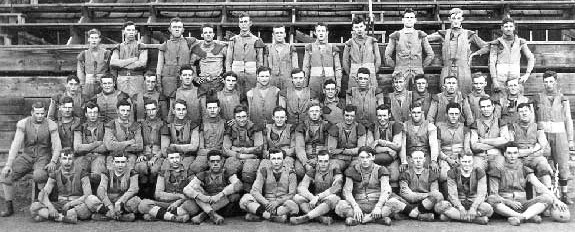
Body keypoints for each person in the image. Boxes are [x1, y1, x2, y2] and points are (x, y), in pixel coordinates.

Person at [0, 101, 61, 217]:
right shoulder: (23, 123)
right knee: (5, 176)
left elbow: (57, 145)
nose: (40, 116)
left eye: (42, 113)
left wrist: (53, 160)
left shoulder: (51, 124)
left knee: (39, 175)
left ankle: (41, 204)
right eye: (37, 113)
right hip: (26, 157)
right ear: (32, 112)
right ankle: (9, 207)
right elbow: (16, 144)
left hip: (43, 157)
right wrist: (8, 164)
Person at [487, 142, 570, 226]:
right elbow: (494, 193)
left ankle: (522, 217)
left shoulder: (524, 167)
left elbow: (539, 186)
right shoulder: (497, 168)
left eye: (515, 153)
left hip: (522, 204)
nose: (512, 156)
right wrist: (508, 202)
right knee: (491, 199)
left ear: (518, 154)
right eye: (509, 153)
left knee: (547, 198)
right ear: (504, 154)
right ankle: (525, 216)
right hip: (505, 204)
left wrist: (556, 199)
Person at [29, 149, 104, 223]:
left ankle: (58, 216)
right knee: (34, 207)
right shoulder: (55, 174)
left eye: (70, 159)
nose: (67, 162)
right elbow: (43, 193)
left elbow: (88, 194)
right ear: (60, 160)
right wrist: (51, 207)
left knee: (86, 206)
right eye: (64, 158)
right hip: (61, 204)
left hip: (77, 204)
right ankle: (63, 218)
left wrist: (71, 204)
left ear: (74, 159)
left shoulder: (82, 173)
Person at [533, 70, 574, 204]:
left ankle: (565, 194)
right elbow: (534, 118)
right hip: (543, 135)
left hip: (560, 134)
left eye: (551, 81)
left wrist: (570, 140)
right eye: (546, 81)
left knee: (562, 164)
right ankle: (548, 195)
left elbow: (568, 119)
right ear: (543, 82)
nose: (548, 84)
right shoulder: (538, 97)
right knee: (545, 164)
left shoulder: (563, 99)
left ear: (555, 81)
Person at [427, 8, 487, 94]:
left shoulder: (469, 34)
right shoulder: (443, 34)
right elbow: (426, 38)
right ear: (449, 19)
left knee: (464, 94)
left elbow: (486, 46)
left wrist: (474, 54)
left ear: (462, 19)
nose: (456, 21)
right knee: (446, 93)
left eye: (458, 18)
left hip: (463, 69)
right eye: (454, 18)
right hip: (447, 68)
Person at [334, 146, 399, 226]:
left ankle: (363, 219)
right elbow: (347, 192)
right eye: (362, 157)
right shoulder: (352, 170)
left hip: (376, 204)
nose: (365, 160)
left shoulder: (381, 169)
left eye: (368, 157)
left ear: (373, 157)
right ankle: (376, 219)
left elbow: (386, 190)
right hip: (359, 204)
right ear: (358, 158)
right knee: (340, 206)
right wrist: (355, 207)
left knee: (394, 203)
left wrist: (378, 206)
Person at [474, 17, 535, 96]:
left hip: (515, 75)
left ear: (514, 27)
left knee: (516, 99)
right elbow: (492, 62)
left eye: (510, 26)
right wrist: (494, 80)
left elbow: (531, 58)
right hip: (500, 76)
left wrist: (527, 74)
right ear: (502, 28)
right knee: (499, 99)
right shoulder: (497, 43)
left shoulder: (520, 42)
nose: (508, 29)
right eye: (506, 26)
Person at [239, 148, 299, 223]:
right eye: (273, 159)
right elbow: (255, 191)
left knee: (293, 205)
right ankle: (271, 217)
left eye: (279, 158)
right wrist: (266, 203)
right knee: (245, 199)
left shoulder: (291, 172)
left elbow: (292, 193)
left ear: (283, 159)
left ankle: (261, 215)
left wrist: (277, 202)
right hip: (265, 204)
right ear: (269, 160)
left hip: (281, 205)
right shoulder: (264, 171)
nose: (276, 162)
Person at [184, 150, 243, 225]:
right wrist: (201, 196)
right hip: (207, 201)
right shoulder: (203, 174)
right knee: (195, 188)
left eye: (218, 161)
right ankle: (212, 214)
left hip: (223, 205)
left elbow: (238, 184)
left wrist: (220, 194)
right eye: (212, 161)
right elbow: (186, 189)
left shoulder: (227, 173)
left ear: (222, 162)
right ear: (208, 163)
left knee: (234, 195)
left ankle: (203, 215)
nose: (215, 164)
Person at [137, 151, 198, 223]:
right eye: (172, 158)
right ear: (168, 160)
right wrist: (179, 195)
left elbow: (192, 192)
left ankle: (160, 215)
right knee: (143, 205)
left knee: (192, 207)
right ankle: (173, 217)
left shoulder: (189, 173)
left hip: (182, 203)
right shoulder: (162, 173)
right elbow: (158, 194)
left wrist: (178, 202)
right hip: (164, 203)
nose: (175, 160)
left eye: (177, 158)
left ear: (181, 159)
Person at [502, 103, 553, 188]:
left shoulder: (537, 126)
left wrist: (532, 152)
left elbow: (544, 146)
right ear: (517, 114)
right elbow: (510, 148)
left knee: (543, 163)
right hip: (518, 159)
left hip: (534, 158)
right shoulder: (512, 127)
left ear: (530, 112)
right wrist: (532, 150)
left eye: (526, 111)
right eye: (521, 111)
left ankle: (548, 192)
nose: (524, 113)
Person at [434, 152, 493, 225]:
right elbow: (452, 194)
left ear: (473, 161)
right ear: (459, 161)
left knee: (488, 209)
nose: (467, 164)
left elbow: (482, 194)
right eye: (464, 161)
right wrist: (460, 207)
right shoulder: (452, 172)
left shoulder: (479, 172)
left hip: (474, 202)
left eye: (469, 161)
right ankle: (476, 219)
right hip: (458, 203)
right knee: (439, 206)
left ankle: (454, 217)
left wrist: (473, 207)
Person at [385, 8, 434, 89]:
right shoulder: (396, 35)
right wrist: (397, 67)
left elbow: (430, 54)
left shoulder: (420, 34)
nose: (409, 20)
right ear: (403, 20)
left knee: (417, 97)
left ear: (415, 20)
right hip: (400, 73)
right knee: (401, 96)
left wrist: (421, 66)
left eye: (411, 18)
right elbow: (387, 55)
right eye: (407, 18)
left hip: (417, 72)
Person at [290, 150, 343, 225]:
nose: (323, 164)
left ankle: (306, 217)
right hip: (315, 202)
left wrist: (318, 196)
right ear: (317, 161)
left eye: (326, 161)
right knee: (297, 197)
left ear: (329, 161)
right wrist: (311, 197)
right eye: (321, 161)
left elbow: (337, 187)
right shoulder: (313, 170)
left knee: (334, 198)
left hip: (328, 203)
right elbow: (301, 187)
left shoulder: (335, 170)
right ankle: (320, 218)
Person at [223, 105, 264, 191]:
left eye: (244, 116)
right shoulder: (230, 128)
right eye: (238, 117)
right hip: (238, 156)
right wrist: (242, 155)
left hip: (253, 158)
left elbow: (259, 148)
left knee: (248, 173)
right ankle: (234, 191)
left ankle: (248, 193)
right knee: (228, 168)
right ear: (234, 118)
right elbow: (226, 149)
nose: (241, 120)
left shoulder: (255, 127)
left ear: (247, 116)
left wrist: (237, 149)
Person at [93, 152, 142, 221]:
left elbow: (134, 189)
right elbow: (101, 189)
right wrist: (108, 204)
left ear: (127, 162)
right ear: (113, 162)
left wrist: (120, 202)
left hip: (123, 203)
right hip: (108, 201)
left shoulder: (132, 173)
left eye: (122, 162)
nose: (120, 165)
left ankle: (109, 216)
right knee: (90, 199)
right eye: (117, 162)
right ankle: (118, 216)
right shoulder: (106, 173)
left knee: (136, 201)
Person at [156, 17, 198, 99]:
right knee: (171, 103)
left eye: (179, 27)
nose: (177, 29)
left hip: (185, 79)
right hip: (169, 81)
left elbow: (206, 44)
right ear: (170, 29)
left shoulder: (189, 42)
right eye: (174, 27)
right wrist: (158, 82)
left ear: (183, 30)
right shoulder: (164, 45)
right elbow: (159, 65)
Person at [294, 102, 338, 179]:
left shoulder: (328, 126)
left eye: (317, 111)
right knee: (299, 170)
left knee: (324, 170)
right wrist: (305, 163)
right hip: (305, 156)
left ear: (320, 112)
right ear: (308, 112)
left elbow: (330, 147)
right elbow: (299, 147)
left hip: (323, 157)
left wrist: (317, 159)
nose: (314, 114)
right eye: (312, 111)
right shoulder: (301, 126)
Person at [398, 150, 444, 221]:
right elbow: (408, 196)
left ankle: (413, 214)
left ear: (424, 160)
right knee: (394, 200)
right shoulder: (405, 174)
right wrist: (428, 194)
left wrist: (429, 196)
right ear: (411, 160)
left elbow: (435, 194)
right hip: (409, 203)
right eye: (416, 158)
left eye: (420, 158)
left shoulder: (431, 173)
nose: (418, 161)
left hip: (426, 204)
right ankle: (420, 216)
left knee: (436, 197)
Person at [226, 12, 265, 93]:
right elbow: (228, 60)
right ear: (239, 24)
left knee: (251, 96)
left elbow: (260, 61)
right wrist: (228, 75)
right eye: (241, 22)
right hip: (236, 74)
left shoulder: (257, 40)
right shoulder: (233, 40)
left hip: (252, 75)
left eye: (245, 22)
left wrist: (259, 76)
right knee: (236, 96)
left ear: (250, 23)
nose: (243, 24)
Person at [368, 104, 403, 193]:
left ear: (389, 115)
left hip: (392, 158)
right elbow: (369, 148)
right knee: (373, 176)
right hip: (376, 158)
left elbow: (397, 146)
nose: (382, 118)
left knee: (394, 176)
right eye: (379, 115)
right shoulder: (372, 127)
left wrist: (380, 142)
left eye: (384, 115)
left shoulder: (396, 125)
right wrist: (387, 149)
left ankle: (393, 196)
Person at [135, 99, 165, 196]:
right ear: (145, 111)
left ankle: (153, 191)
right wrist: (139, 154)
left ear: (157, 109)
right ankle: (142, 192)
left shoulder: (162, 124)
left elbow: (164, 145)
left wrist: (155, 157)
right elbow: (137, 142)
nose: (151, 112)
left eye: (153, 109)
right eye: (148, 110)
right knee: (141, 167)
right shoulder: (140, 125)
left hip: (158, 154)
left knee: (154, 169)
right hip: (144, 152)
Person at [73, 102, 108, 187]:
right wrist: (96, 144)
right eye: (90, 113)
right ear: (86, 114)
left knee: (97, 175)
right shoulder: (79, 128)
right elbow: (77, 148)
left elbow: (106, 147)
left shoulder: (105, 127)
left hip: (100, 156)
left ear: (98, 114)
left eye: (95, 112)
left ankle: (98, 195)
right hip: (83, 156)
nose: (92, 115)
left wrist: (86, 147)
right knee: (78, 171)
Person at [436, 103, 472, 184]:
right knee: (444, 175)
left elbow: (466, 148)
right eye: (451, 114)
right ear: (446, 115)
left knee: (466, 173)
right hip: (445, 157)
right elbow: (438, 149)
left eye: (456, 114)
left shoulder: (465, 129)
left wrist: (459, 158)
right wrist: (447, 159)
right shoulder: (439, 129)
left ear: (459, 115)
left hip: (460, 158)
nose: (454, 116)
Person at [303, 22, 342, 96]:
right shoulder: (310, 48)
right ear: (315, 33)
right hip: (314, 83)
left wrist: (338, 85)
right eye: (319, 31)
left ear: (327, 33)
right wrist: (305, 85)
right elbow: (306, 68)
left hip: (330, 83)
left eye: (323, 31)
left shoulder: (333, 48)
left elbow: (338, 68)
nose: (321, 33)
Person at [470, 97, 508, 172]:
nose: (486, 109)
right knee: (477, 169)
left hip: (497, 155)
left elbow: (505, 141)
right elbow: (474, 146)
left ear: (493, 106)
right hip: (480, 156)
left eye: (488, 106)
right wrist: (496, 143)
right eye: (483, 107)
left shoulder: (501, 122)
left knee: (498, 168)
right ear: (480, 109)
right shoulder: (475, 124)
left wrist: (483, 141)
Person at [160, 99, 200, 172]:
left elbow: (194, 146)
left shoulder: (193, 125)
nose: (181, 112)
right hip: (171, 156)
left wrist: (174, 146)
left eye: (183, 109)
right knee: (165, 168)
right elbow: (164, 149)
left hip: (188, 156)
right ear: (173, 111)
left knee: (183, 168)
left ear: (186, 111)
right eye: (178, 109)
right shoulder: (167, 126)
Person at [110, 21, 148, 96]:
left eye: (133, 30)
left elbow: (142, 63)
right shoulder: (118, 47)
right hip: (122, 79)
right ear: (124, 32)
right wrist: (132, 60)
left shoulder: (142, 46)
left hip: (137, 78)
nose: (131, 32)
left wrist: (121, 64)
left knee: (137, 102)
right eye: (128, 30)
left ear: (136, 32)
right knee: (122, 102)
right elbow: (113, 62)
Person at [103, 99, 143, 171]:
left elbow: (139, 146)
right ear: (117, 111)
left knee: (129, 169)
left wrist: (117, 144)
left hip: (130, 155)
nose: (125, 113)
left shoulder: (135, 125)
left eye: (128, 111)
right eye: (123, 110)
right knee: (111, 170)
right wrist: (129, 142)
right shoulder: (110, 125)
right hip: (113, 155)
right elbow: (109, 146)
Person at [343, 16, 381, 88]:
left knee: (371, 96)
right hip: (354, 76)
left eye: (361, 26)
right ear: (353, 28)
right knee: (354, 96)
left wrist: (373, 72)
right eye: (356, 27)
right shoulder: (349, 43)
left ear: (364, 27)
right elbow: (345, 61)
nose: (359, 29)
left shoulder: (372, 41)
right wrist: (351, 73)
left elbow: (378, 58)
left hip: (370, 74)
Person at [402, 102, 439, 173]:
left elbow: (433, 144)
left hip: (425, 156)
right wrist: (403, 161)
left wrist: (434, 160)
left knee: (432, 172)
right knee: (406, 173)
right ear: (410, 113)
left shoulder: (430, 126)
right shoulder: (405, 126)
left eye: (418, 112)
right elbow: (403, 145)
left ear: (422, 113)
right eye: (414, 112)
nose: (416, 115)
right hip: (410, 156)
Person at [191, 24, 227, 95]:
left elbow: (228, 62)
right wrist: (195, 78)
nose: (208, 35)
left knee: (218, 103)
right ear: (202, 35)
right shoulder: (198, 49)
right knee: (203, 103)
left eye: (210, 32)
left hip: (218, 82)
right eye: (205, 33)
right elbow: (191, 63)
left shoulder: (221, 47)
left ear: (213, 34)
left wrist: (226, 77)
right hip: (204, 82)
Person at [195, 98, 227, 172]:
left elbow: (226, 148)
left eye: (214, 108)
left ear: (219, 109)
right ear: (206, 110)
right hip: (205, 154)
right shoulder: (202, 124)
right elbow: (200, 149)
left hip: (221, 155)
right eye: (210, 108)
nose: (212, 110)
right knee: (195, 167)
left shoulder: (225, 124)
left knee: (227, 169)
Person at [331, 105, 367, 171]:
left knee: (357, 169)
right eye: (347, 115)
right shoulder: (335, 128)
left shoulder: (359, 127)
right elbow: (332, 150)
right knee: (334, 167)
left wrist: (342, 150)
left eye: (352, 116)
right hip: (339, 159)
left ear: (355, 116)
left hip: (355, 159)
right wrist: (352, 151)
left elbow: (360, 149)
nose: (349, 118)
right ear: (343, 115)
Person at [77, 28, 111, 98]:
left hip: (103, 84)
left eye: (96, 38)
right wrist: (82, 84)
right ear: (89, 39)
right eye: (92, 38)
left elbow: (111, 69)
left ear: (99, 39)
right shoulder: (83, 54)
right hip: (88, 84)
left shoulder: (106, 53)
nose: (94, 40)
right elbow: (80, 71)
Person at [262, 107, 297, 174]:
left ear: (286, 118)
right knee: (263, 170)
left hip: (286, 157)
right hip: (270, 157)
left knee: (287, 171)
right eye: (277, 117)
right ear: (273, 117)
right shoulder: (267, 129)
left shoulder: (291, 129)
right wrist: (270, 155)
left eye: (282, 117)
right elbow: (264, 150)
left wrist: (282, 153)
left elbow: (293, 149)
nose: (279, 120)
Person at [267, 25, 299, 91]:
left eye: (281, 33)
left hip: (287, 82)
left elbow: (295, 68)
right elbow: (265, 67)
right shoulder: (268, 49)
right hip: (272, 82)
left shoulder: (291, 48)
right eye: (277, 33)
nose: (279, 35)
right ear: (273, 35)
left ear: (285, 34)